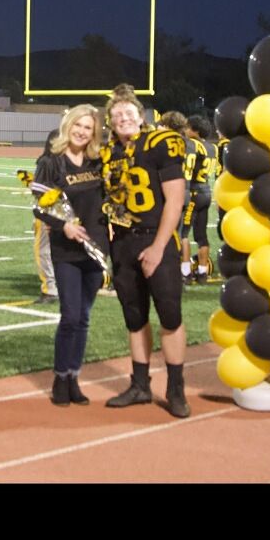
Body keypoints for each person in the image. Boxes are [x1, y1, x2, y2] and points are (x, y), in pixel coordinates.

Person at [101, 91, 190, 418]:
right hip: (123, 241)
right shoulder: (109, 153)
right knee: (134, 317)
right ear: (110, 122)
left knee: (170, 316)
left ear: (141, 116)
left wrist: (158, 247)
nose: (122, 117)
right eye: (116, 114)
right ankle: (140, 384)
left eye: (128, 112)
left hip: (157, 240)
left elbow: (175, 201)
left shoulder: (160, 143)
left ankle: (176, 388)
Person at [33, 104, 109, 407]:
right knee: (70, 316)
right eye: (77, 124)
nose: (81, 131)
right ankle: (60, 377)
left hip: (95, 247)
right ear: (68, 125)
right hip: (66, 248)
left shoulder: (98, 160)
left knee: (85, 317)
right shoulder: (52, 160)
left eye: (88, 127)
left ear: (94, 132)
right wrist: (62, 226)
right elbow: (40, 204)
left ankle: (74, 376)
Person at [180, 116, 217, 285]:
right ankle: (202, 273)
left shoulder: (192, 145)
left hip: (193, 192)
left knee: (183, 233)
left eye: (188, 128)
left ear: (194, 130)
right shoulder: (213, 147)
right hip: (206, 192)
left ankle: (185, 272)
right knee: (201, 235)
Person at [32, 129, 59, 303]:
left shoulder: (47, 161)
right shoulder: (70, 161)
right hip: (68, 212)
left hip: (49, 210)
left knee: (43, 250)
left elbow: (37, 189)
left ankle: (50, 289)